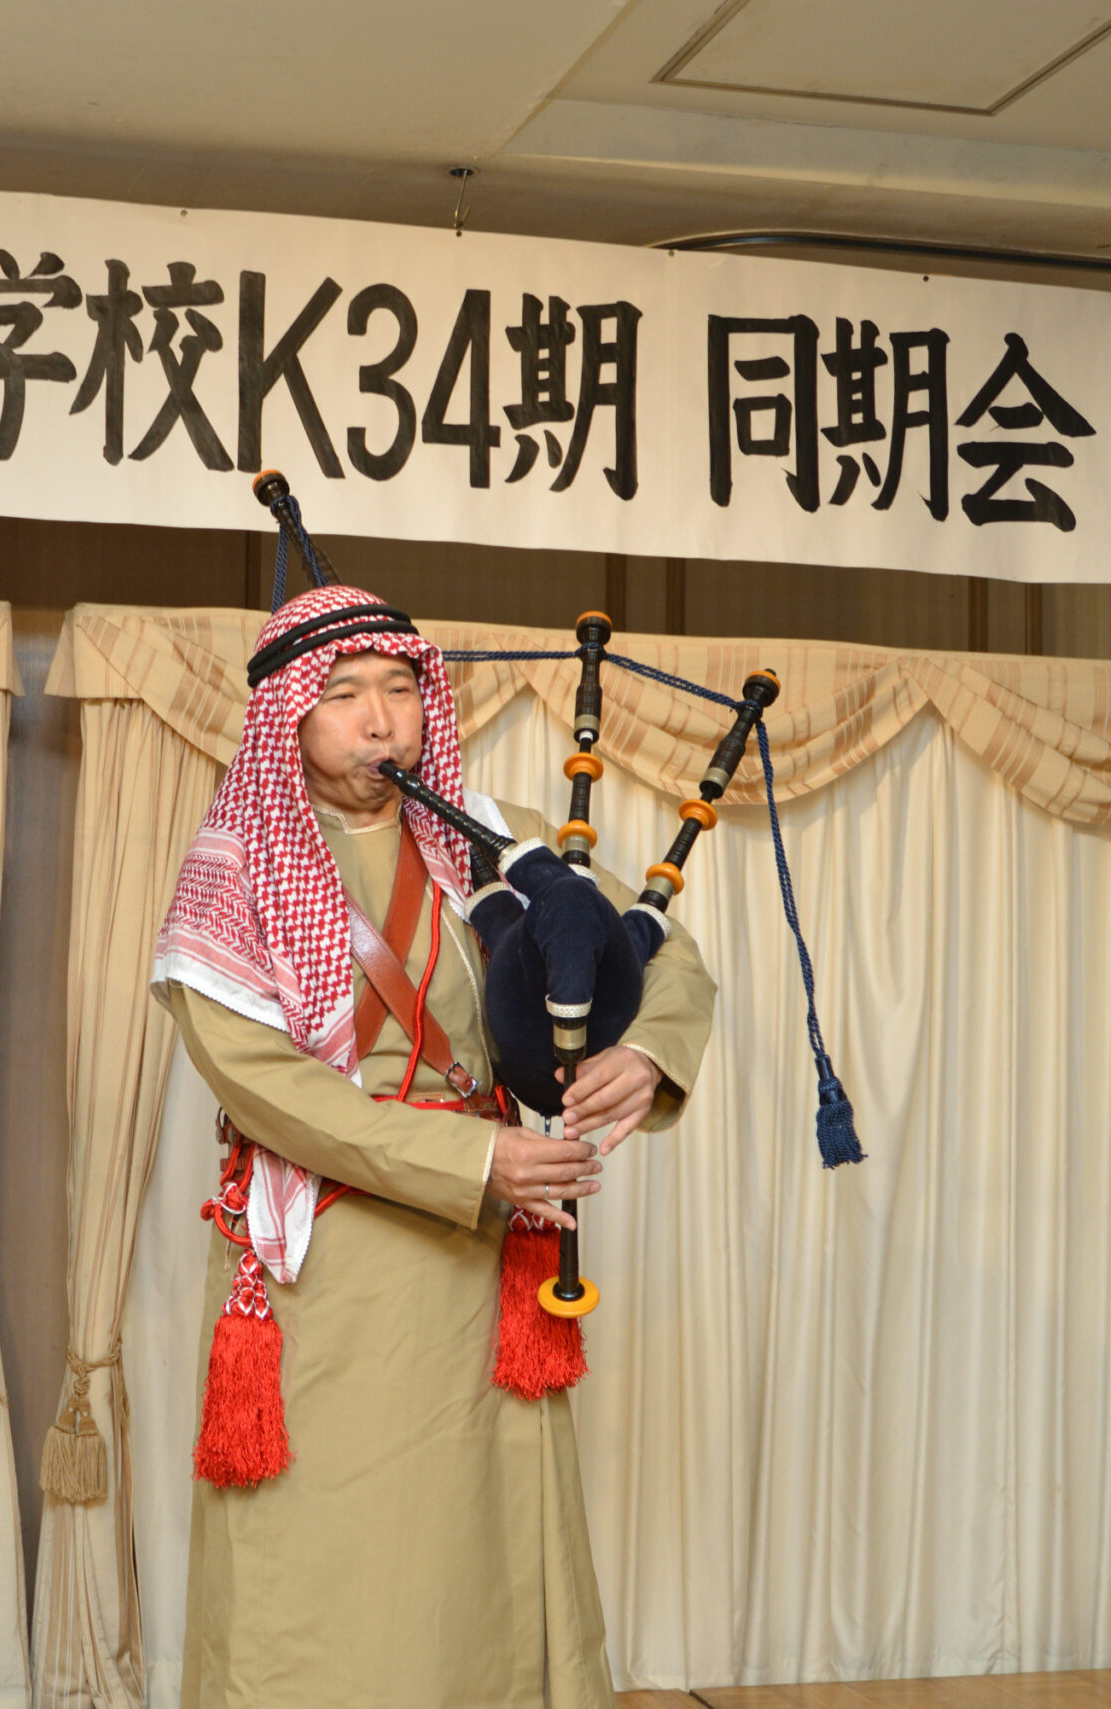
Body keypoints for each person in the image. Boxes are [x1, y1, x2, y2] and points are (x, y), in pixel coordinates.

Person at [152, 583, 717, 1709]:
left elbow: (657, 950)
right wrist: (476, 1165)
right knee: (336, 1571)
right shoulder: (236, 870)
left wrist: (647, 1052)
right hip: (332, 1277)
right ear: (289, 717)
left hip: (481, 1271)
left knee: (479, 1572)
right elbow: (264, 1087)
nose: (380, 719)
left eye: (401, 689)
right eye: (344, 694)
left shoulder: (495, 842)